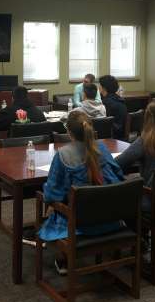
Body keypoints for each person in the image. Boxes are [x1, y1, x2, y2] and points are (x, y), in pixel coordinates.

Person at [38, 112, 125, 274]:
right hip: (110, 217)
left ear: (69, 132)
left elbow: (52, 194)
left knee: (52, 203)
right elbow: (118, 177)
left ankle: (63, 260)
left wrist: (49, 201)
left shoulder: (63, 155)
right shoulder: (102, 149)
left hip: (79, 223)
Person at [99, 74, 128, 139]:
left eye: (100, 85)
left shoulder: (105, 103)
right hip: (121, 136)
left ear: (104, 88)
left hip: (112, 138)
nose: (98, 87)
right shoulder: (120, 100)